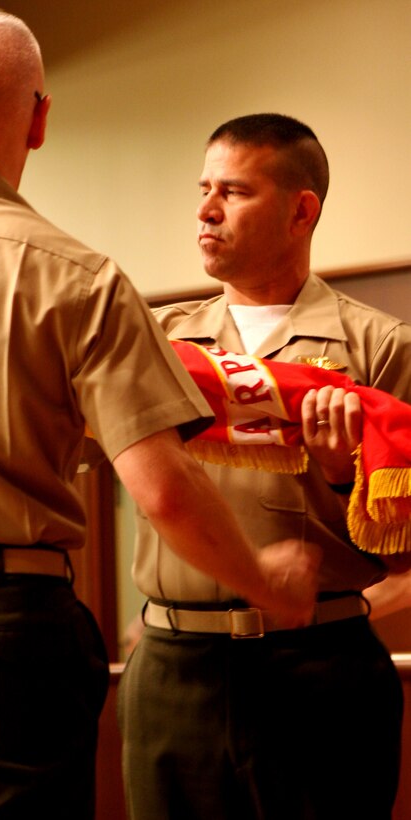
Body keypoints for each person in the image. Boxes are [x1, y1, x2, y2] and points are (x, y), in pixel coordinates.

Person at [0, 13, 320, 820]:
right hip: (8, 634)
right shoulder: (80, 278)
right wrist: (261, 579)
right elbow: (159, 489)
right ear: (40, 120)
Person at [118, 113, 411, 820]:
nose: (205, 211)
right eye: (203, 189)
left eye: (234, 192)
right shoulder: (161, 340)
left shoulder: (381, 347)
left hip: (321, 671)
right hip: (174, 665)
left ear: (300, 210)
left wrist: (346, 476)